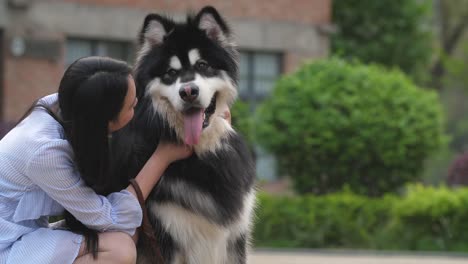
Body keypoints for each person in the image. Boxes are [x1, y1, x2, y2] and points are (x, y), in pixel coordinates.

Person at [0, 56, 194, 264]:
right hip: (8, 245)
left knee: (122, 238)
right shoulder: (45, 152)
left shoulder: (72, 106)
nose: (138, 105)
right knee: (120, 249)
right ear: (105, 121)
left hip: (24, 232)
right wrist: (161, 158)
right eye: (131, 106)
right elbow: (109, 218)